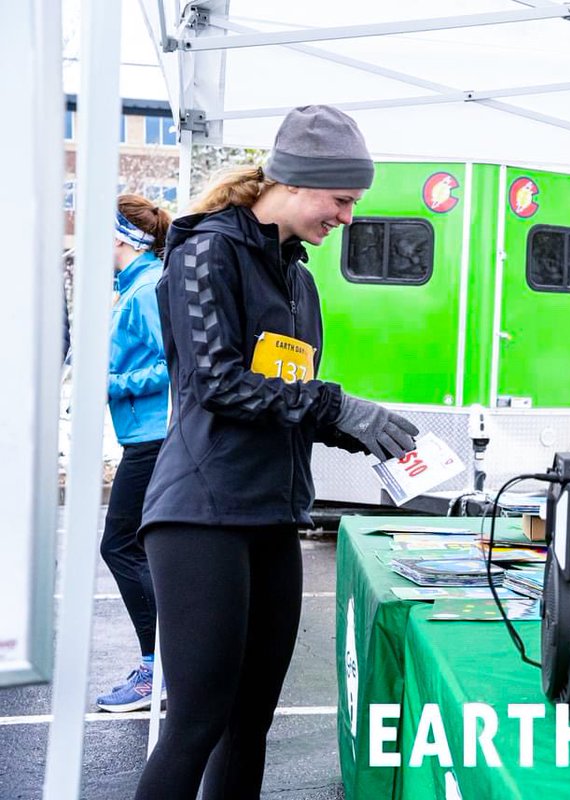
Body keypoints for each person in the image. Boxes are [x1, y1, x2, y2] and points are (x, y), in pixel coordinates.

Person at [135, 105, 419, 799]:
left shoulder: (299, 277)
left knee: (249, 723)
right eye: (342, 200)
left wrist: (359, 430)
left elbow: (283, 397)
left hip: (271, 515)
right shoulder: (206, 249)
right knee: (197, 723)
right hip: (201, 514)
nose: (348, 218)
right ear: (293, 183)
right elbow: (218, 383)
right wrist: (333, 403)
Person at [94, 195, 172, 712]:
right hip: (145, 436)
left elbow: (177, 364)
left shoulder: (145, 289)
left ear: (120, 238)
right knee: (137, 547)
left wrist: (112, 383)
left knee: (120, 545)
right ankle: (164, 663)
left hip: (154, 436)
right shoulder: (137, 284)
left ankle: (157, 668)